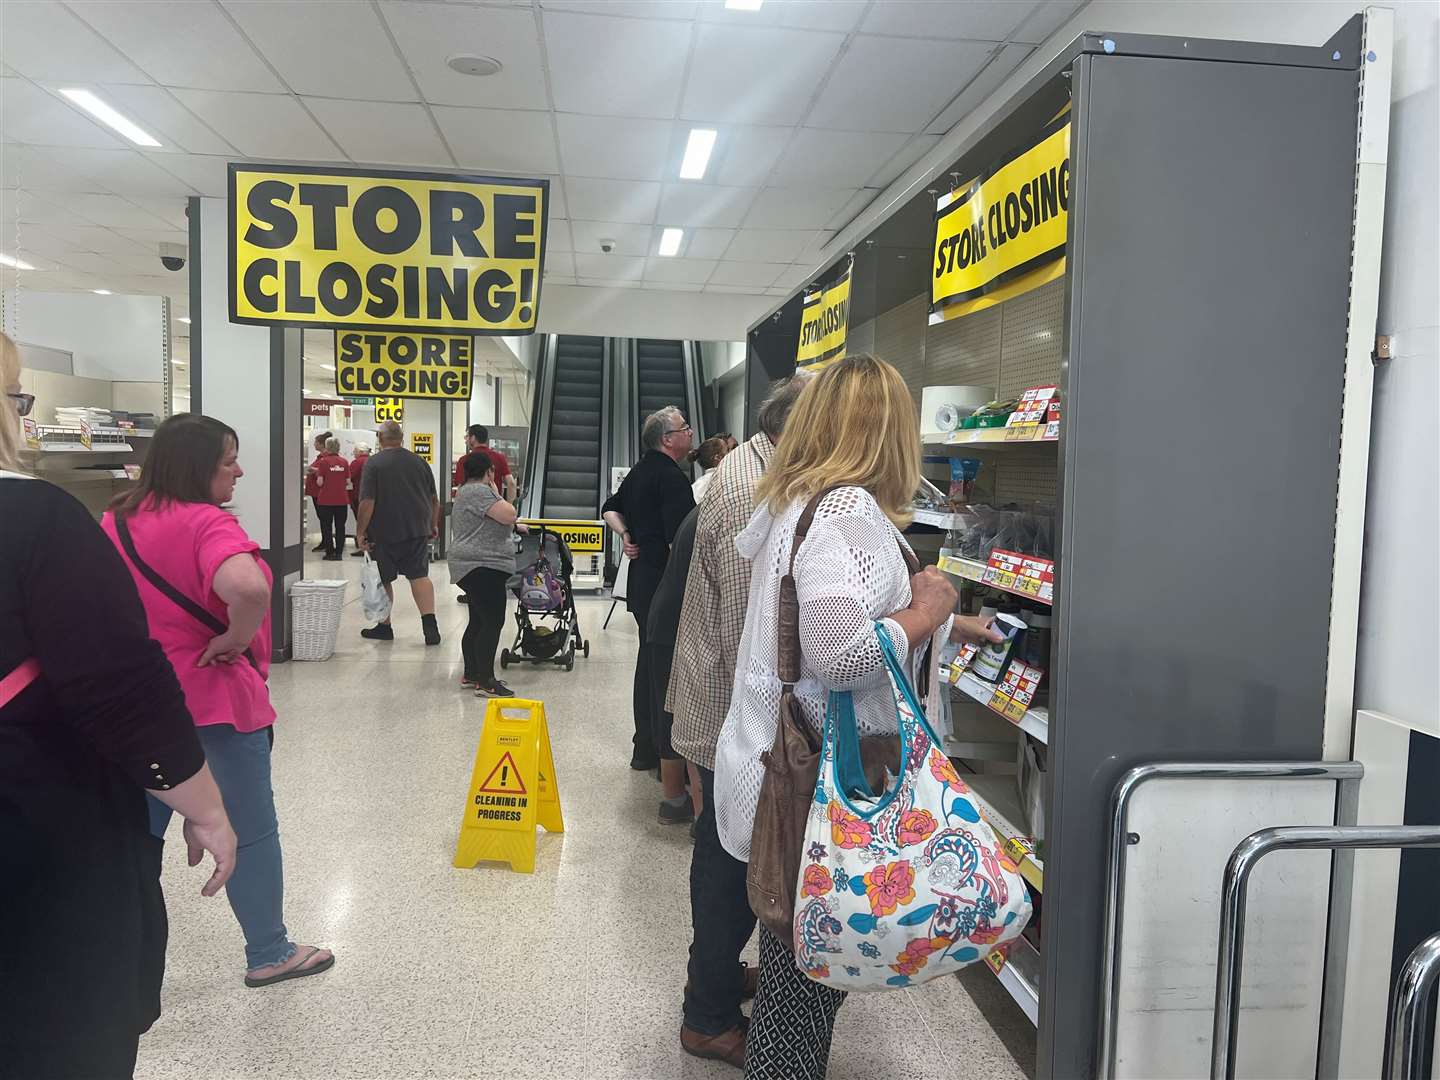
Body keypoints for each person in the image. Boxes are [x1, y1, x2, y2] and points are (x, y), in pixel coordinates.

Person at [713, 355, 1004, 1080]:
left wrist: (944, 625)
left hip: (772, 764)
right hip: (819, 789)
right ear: (888, 432)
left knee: (800, 966)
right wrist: (930, 608)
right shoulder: (847, 513)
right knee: (803, 988)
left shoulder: (795, 500)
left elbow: (830, 612)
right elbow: (839, 655)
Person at [1, 334, 237, 1079]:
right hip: (36, 834)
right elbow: (115, 686)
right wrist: (205, 806)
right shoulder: (36, 520)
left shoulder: (120, 517)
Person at [101, 413, 335, 994]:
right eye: (229, 460)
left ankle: (115, 964)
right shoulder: (206, 523)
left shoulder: (117, 519)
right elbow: (249, 588)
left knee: (136, 838)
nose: (239, 471)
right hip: (214, 704)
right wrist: (234, 638)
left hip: (137, 706)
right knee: (249, 831)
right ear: (198, 465)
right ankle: (270, 952)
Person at [669, 374, 809, 1067]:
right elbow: (745, 632)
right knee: (726, 868)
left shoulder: (755, 468)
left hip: (724, 709)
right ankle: (709, 1018)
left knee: (723, 861)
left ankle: (715, 981)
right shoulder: (755, 489)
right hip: (729, 714)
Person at [601, 406, 695, 771]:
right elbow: (679, 542)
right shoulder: (672, 479)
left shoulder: (639, 472)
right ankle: (664, 751)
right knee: (665, 669)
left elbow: (610, 508)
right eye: (684, 429)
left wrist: (626, 534)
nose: (690, 434)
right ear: (668, 439)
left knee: (648, 660)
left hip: (642, 581)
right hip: (666, 584)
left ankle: (644, 747)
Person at [356, 420, 442, 645]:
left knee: (384, 579)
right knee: (419, 576)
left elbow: (367, 502)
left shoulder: (374, 464)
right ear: (402, 438)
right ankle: (430, 626)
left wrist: (360, 532)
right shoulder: (419, 462)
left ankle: (384, 626)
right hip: (416, 529)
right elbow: (434, 499)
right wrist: (433, 524)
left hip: (383, 532)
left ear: (380, 438)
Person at [450, 449, 525, 698]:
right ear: (489, 471)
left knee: (479, 620)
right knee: (493, 621)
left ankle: (472, 673)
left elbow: (496, 519)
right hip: (482, 565)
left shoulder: (465, 492)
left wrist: (514, 524)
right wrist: (494, 488)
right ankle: (486, 680)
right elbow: (508, 513)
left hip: (472, 564)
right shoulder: (480, 491)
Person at [644, 505, 702, 826]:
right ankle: (696, 810)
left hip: (666, 616)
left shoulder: (696, 512)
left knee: (670, 711)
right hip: (680, 622)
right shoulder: (721, 515)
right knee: (689, 715)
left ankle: (674, 800)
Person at [453, 424, 515, 503]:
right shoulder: (499, 457)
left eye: (467, 436)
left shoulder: (464, 460)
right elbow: (511, 483)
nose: (465, 440)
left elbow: (460, 489)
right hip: (494, 508)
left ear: (473, 438)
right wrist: (509, 506)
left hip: (471, 509)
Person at [312, 436, 350, 561]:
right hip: (341, 500)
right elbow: (348, 482)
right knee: (340, 526)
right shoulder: (344, 462)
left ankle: (329, 552)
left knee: (326, 526)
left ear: (327, 447)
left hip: (326, 500)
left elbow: (320, 482)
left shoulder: (323, 462)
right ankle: (339, 553)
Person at [304, 430, 332, 553]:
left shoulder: (325, 458)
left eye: (316, 442)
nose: (314, 444)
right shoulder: (320, 458)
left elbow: (325, 473)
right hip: (316, 492)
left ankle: (327, 542)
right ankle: (325, 541)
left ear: (321, 444)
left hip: (320, 493)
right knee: (322, 518)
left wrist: (314, 470)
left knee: (324, 519)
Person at [688, 436, 731, 504]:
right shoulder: (723, 481)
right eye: (728, 450)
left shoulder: (696, 485)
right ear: (718, 457)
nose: (732, 453)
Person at [347, 443, 370, 556]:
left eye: (355, 451)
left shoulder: (357, 462)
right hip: (371, 496)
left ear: (361, 451)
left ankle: (364, 547)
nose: (354, 453)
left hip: (358, 495)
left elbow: (349, 476)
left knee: (362, 521)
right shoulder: (372, 460)